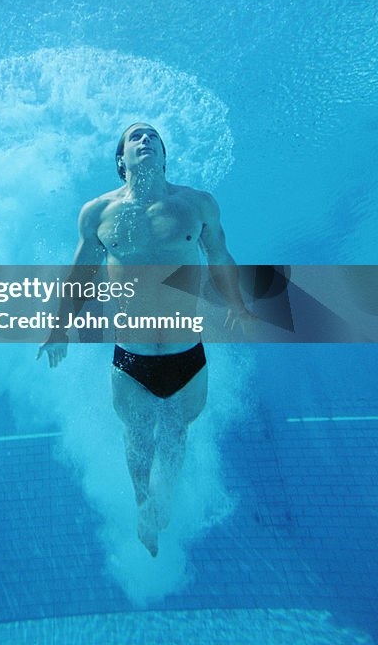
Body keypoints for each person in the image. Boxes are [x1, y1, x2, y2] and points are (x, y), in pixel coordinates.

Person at [38, 122, 254, 557]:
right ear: (122, 160)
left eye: (152, 136)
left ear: (163, 155)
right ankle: (142, 503)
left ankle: (163, 504)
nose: (145, 140)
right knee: (138, 437)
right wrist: (60, 327)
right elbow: (80, 275)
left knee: (175, 435)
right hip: (131, 358)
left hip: (186, 354)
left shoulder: (197, 205)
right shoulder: (98, 213)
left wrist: (237, 305)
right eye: (135, 137)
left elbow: (219, 256)